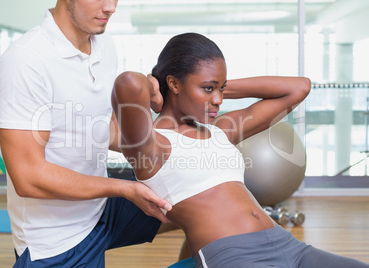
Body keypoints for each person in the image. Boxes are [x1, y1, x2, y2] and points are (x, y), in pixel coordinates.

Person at [111, 32, 369, 267]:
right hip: (232, 255)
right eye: (208, 89)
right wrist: (155, 91)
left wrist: (216, 85)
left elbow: (299, 87)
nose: (219, 100)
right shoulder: (150, 145)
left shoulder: (221, 130)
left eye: (220, 89)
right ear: (174, 84)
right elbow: (128, 83)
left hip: (289, 247)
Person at [0, 0, 175, 267]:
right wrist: (125, 189)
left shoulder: (105, 45)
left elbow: (102, 130)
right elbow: (28, 178)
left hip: (100, 210)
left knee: (199, 205)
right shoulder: (26, 59)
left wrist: (169, 141)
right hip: (56, 243)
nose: (111, 7)